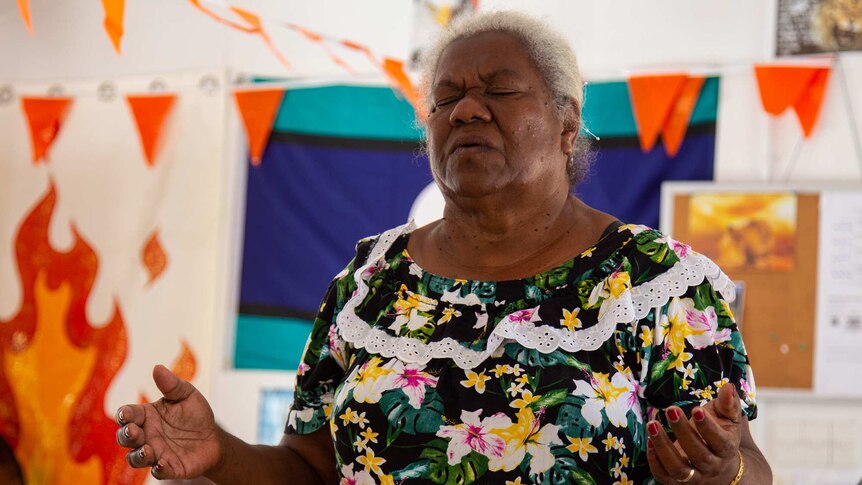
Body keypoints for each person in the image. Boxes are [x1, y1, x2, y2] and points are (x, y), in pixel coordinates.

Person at [116, 10, 772, 485]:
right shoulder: (369, 281)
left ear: (568, 124)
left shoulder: (658, 283)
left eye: (499, 90)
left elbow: (747, 465)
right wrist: (221, 453)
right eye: (446, 98)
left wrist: (727, 470)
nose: (464, 111)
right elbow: (310, 469)